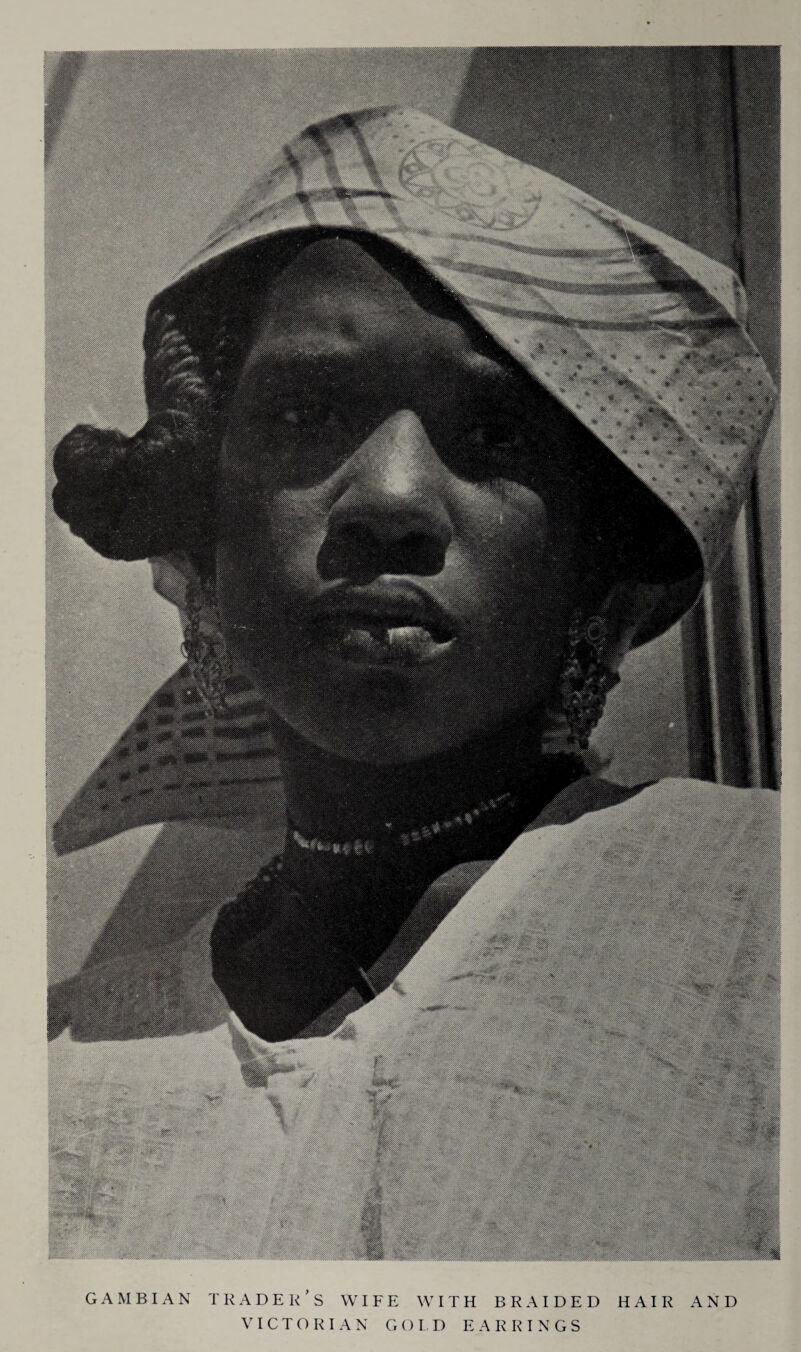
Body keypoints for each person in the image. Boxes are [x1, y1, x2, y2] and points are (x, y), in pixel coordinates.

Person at [49, 106, 778, 1260]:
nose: (389, 497)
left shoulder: (755, 921)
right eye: (300, 414)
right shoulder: (70, 1075)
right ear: (202, 522)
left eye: (495, 434)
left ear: (597, 557)